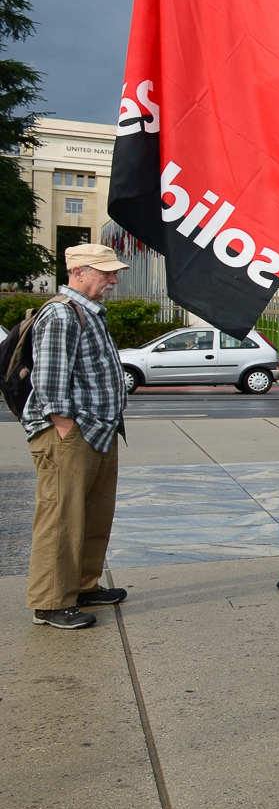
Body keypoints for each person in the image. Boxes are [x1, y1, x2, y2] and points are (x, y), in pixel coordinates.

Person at [22, 244, 130, 630]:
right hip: (71, 434)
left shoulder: (89, 313)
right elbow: (49, 381)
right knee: (61, 517)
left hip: (97, 431)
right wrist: (66, 428)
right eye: (106, 273)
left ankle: (83, 586)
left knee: (94, 514)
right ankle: (50, 603)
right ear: (79, 272)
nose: (114, 280)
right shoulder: (61, 314)